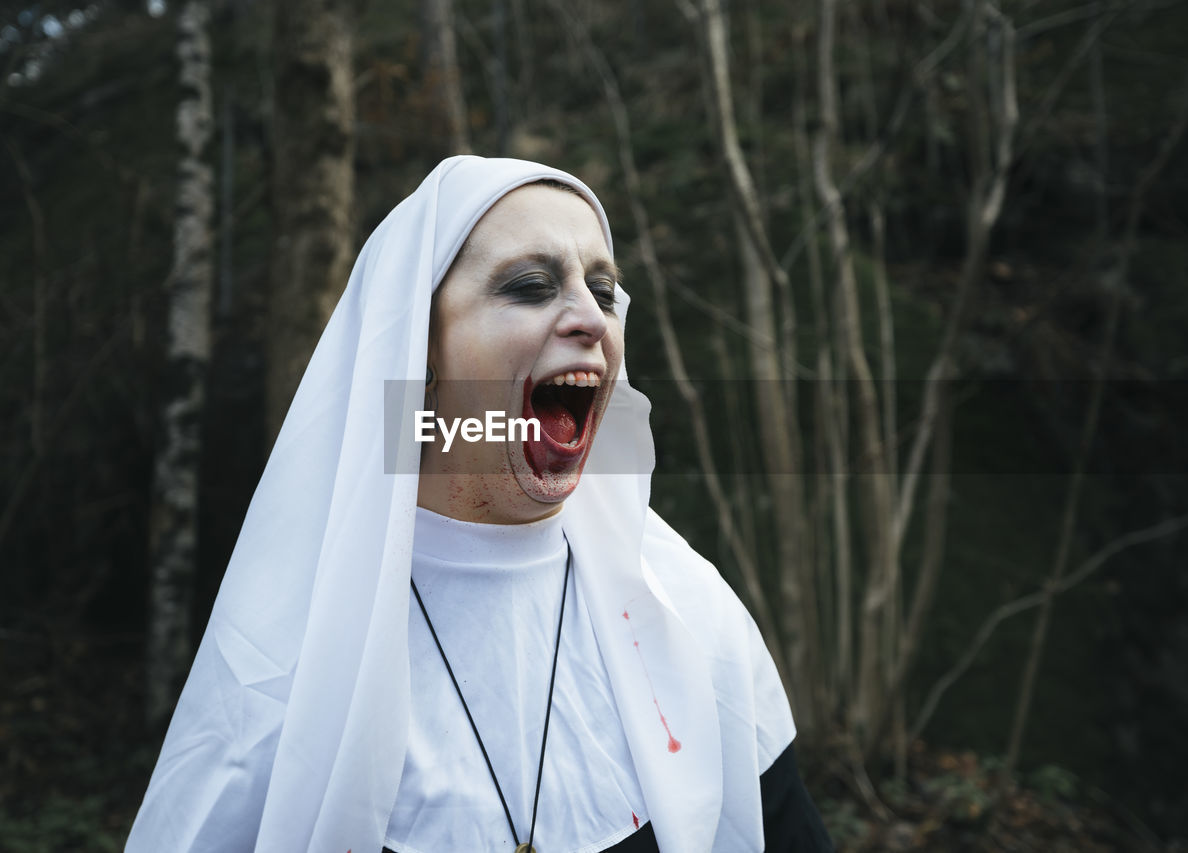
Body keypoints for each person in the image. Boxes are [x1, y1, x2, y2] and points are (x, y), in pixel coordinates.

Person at [126, 156, 832, 852]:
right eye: (531, 286)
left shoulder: (687, 611)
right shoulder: (285, 650)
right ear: (418, 348)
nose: (591, 316)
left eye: (605, 289)